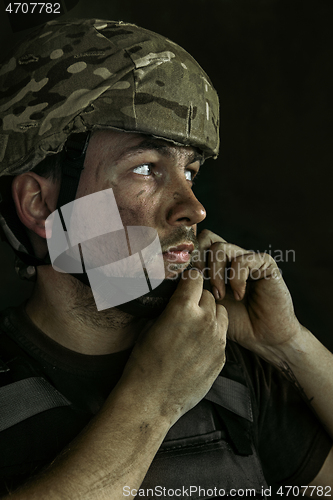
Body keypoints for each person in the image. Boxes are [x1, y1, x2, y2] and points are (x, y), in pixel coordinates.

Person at [0, 18, 332, 500]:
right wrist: (155, 401)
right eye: (145, 169)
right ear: (40, 204)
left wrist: (288, 346)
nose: (193, 209)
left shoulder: (230, 368)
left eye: (190, 171)